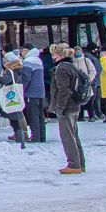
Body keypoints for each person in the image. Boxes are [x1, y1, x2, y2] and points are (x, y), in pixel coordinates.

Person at [49, 44, 86, 174]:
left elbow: (63, 90)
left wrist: (59, 108)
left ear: (60, 56)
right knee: (74, 135)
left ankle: (74, 164)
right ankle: (80, 163)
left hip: (67, 107)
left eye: (54, 54)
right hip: (75, 105)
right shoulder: (72, 67)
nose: (52, 57)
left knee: (67, 136)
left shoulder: (62, 69)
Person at [0, 51, 28, 150]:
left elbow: (5, 81)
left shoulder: (10, 72)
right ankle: (21, 140)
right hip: (16, 97)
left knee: (15, 121)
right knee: (16, 120)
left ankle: (20, 141)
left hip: (11, 97)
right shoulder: (19, 70)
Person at [22, 46, 47, 144]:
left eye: (22, 50)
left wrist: (22, 90)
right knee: (40, 115)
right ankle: (42, 136)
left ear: (27, 50)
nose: (21, 53)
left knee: (33, 115)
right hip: (40, 92)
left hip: (31, 92)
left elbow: (26, 77)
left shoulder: (28, 61)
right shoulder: (38, 60)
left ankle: (35, 137)